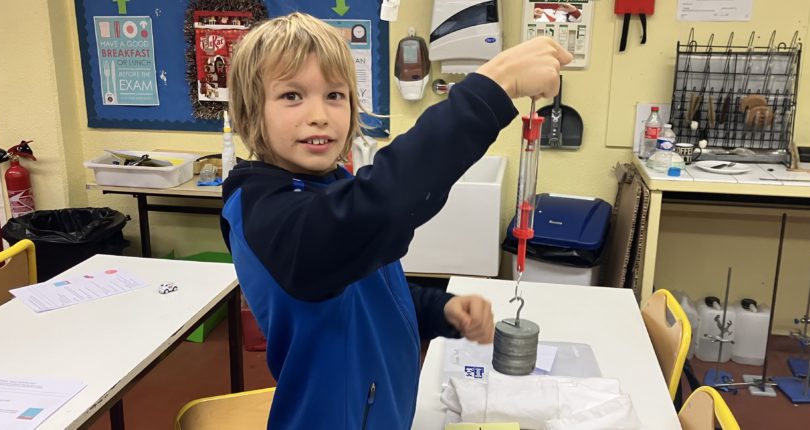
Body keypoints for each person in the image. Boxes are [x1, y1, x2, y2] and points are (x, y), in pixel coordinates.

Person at [221, 12, 571, 430]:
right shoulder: (261, 208)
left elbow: (370, 290)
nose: (319, 115)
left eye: (335, 95)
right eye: (292, 96)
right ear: (251, 110)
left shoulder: (331, 187)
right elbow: (378, 209)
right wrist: (491, 90)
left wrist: (440, 309)